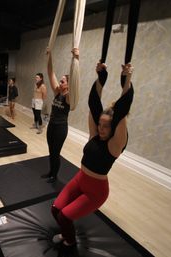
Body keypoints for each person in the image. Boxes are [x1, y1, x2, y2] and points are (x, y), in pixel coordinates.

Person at [50, 62, 134, 253]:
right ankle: (66, 233)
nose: (102, 129)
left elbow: (122, 110)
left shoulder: (115, 145)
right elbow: (93, 101)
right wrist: (100, 77)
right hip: (80, 180)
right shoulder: (95, 134)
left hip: (96, 191)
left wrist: (127, 79)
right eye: (100, 124)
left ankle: (69, 242)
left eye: (106, 126)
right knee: (55, 210)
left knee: (64, 217)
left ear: (113, 128)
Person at [40, 47, 79, 183]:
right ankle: (51, 172)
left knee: (56, 153)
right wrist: (49, 56)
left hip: (60, 128)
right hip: (51, 125)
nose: (60, 82)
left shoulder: (68, 97)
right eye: (60, 81)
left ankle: (54, 176)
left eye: (63, 81)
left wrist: (76, 59)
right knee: (51, 151)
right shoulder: (57, 92)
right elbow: (51, 73)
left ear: (68, 85)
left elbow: (75, 82)